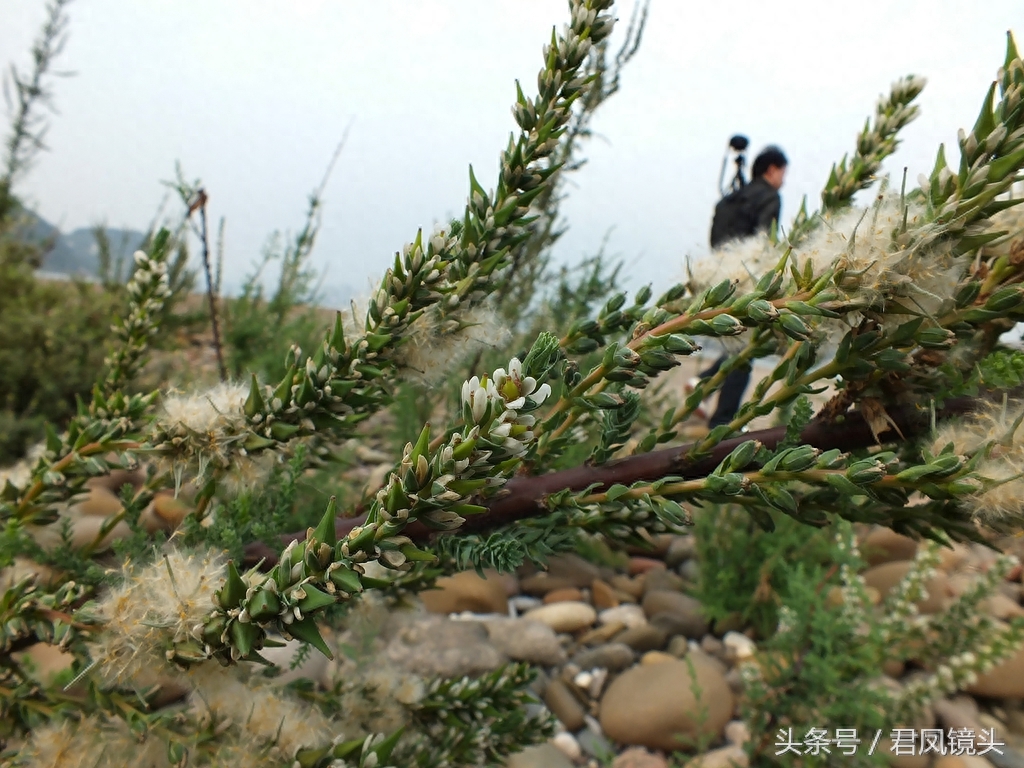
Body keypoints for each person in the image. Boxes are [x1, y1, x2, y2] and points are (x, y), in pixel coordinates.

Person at [696, 145, 788, 429]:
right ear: (772, 169)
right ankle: (722, 420)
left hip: (718, 278)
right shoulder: (771, 197)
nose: (783, 179)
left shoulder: (731, 199)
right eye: (783, 172)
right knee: (745, 351)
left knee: (733, 342)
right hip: (747, 280)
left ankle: (700, 383)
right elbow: (763, 244)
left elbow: (716, 238)